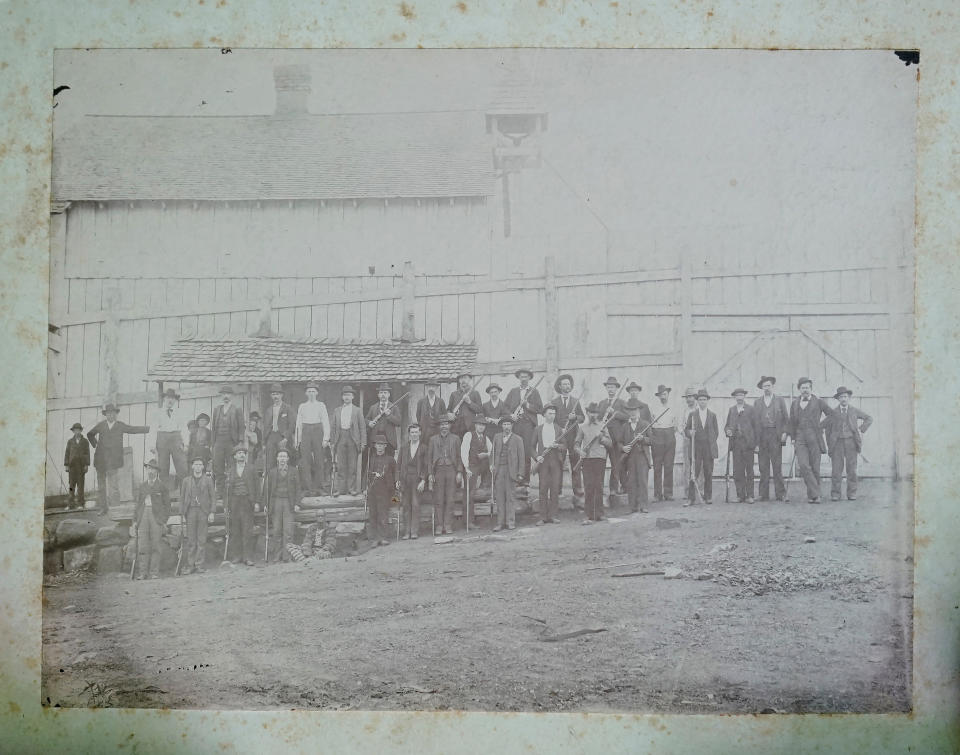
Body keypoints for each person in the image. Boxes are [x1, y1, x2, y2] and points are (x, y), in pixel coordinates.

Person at [87, 404, 150, 515]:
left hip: (113, 461)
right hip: (100, 460)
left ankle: (115, 509)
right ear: (105, 414)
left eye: (113, 413)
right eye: (108, 413)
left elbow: (133, 429)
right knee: (101, 487)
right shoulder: (101, 425)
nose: (110, 415)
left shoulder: (120, 425)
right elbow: (90, 434)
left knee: (114, 486)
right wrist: (95, 444)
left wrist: (149, 429)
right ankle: (103, 508)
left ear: (116, 414)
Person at [822, 387, 873, 501]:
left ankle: (852, 493)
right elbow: (823, 425)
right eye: (841, 397)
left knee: (852, 470)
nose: (843, 399)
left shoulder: (854, 411)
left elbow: (869, 418)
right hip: (837, 444)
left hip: (851, 443)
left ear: (849, 398)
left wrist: (861, 429)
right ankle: (835, 494)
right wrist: (829, 439)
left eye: (845, 397)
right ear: (838, 399)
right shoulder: (833, 412)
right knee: (836, 470)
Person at [788, 378, 830, 503]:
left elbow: (832, 415)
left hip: (815, 438)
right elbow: (791, 422)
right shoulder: (795, 403)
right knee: (804, 466)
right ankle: (817, 493)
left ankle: (813, 496)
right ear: (799, 389)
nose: (805, 390)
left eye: (807, 387)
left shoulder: (819, 402)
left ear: (811, 389)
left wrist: (821, 425)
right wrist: (793, 438)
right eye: (803, 388)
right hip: (800, 437)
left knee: (815, 468)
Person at [503, 368, 543, 484]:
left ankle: (525, 480)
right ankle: (515, 478)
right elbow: (505, 407)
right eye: (522, 377)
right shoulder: (513, 391)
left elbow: (540, 409)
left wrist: (528, 405)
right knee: (514, 450)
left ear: (529, 378)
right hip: (515, 424)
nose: (524, 379)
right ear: (519, 378)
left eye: (526, 377)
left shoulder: (534, 392)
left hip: (527, 425)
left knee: (526, 451)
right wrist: (511, 416)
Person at [753, 376, 789, 502]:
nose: (767, 388)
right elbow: (754, 422)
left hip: (775, 435)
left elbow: (786, 419)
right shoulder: (757, 402)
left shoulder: (779, 400)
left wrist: (785, 432)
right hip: (762, 435)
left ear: (772, 386)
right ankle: (763, 494)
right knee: (763, 466)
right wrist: (756, 442)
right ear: (762, 388)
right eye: (764, 386)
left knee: (777, 466)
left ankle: (781, 494)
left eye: (769, 385)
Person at [132, 459, 170, 580]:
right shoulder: (142, 486)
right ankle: (143, 573)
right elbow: (138, 504)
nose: (150, 471)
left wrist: (163, 520)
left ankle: (154, 572)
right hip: (143, 515)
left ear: (157, 471)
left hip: (156, 517)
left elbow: (167, 505)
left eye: (153, 469)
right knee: (142, 545)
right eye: (149, 468)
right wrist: (134, 520)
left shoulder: (162, 486)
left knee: (156, 545)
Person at [576, 403, 612, 523]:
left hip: (600, 459)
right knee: (589, 487)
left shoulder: (603, 426)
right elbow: (576, 445)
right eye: (591, 412)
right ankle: (589, 514)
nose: (593, 415)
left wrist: (601, 437)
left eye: (595, 413)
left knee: (599, 486)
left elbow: (610, 443)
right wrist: (580, 452)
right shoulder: (582, 427)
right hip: (587, 459)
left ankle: (600, 513)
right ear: (587, 413)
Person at [224, 444, 260, 566]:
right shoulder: (230, 471)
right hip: (234, 503)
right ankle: (237, 556)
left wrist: (256, 502)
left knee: (247, 530)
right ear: (235, 456)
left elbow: (257, 487)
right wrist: (226, 506)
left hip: (247, 502)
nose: (241, 455)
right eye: (239, 453)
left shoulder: (252, 469)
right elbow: (226, 491)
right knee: (235, 530)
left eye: (243, 453)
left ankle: (248, 557)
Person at [179, 455, 215, 574]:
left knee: (201, 539)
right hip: (190, 511)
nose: (198, 467)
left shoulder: (208, 480)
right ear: (192, 466)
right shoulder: (186, 481)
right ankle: (190, 565)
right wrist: (181, 512)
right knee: (191, 540)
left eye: (200, 464)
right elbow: (182, 497)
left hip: (203, 511)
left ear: (203, 467)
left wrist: (212, 512)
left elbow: (213, 497)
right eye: (196, 464)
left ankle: (199, 565)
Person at [552, 373, 585, 499]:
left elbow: (582, 418)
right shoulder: (554, 402)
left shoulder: (575, 401)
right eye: (564, 384)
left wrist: (575, 417)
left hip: (573, 436)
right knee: (558, 463)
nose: (567, 386)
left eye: (568, 384)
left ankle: (578, 490)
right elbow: (551, 419)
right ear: (560, 386)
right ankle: (557, 490)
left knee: (575, 462)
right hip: (560, 437)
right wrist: (558, 429)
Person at [428, 415, 463, 535]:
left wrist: (459, 472)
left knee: (450, 499)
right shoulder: (433, 439)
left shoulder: (456, 439)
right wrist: (430, 474)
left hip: (451, 470)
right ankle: (439, 525)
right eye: (442, 424)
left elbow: (459, 457)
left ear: (450, 425)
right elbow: (429, 459)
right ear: (439, 426)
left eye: (446, 424)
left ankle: (448, 525)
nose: (444, 426)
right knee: (438, 499)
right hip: (438, 471)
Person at [265, 447, 302, 562]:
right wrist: (266, 505)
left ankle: (287, 556)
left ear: (288, 459)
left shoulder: (294, 471)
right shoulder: (272, 472)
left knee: (288, 531)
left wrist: (297, 503)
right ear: (277, 458)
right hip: (276, 502)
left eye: (284, 456)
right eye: (280, 456)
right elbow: (267, 490)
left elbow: (298, 489)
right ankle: (277, 555)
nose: (282, 459)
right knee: (276, 530)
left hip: (288, 503)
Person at [296, 381, 332, 496]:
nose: (311, 393)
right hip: (306, 431)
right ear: (306, 393)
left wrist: (326, 438)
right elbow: (298, 424)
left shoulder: (321, 405)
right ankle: (307, 488)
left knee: (319, 460)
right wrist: (298, 440)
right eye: (309, 391)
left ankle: (319, 488)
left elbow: (325, 421)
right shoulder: (302, 406)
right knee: (305, 461)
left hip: (317, 431)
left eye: (313, 391)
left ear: (317, 393)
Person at [619, 397, 654, 513]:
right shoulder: (624, 426)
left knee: (642, 481)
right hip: (630, 458)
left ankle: (643, 505)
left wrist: (643, 438)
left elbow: (652, 440)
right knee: (631, 482)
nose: (633, 413)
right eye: (630, 411)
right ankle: (632, 506)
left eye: (635, 410)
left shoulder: (645, 424)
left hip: (642, 456)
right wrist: (623, 448)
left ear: (639, 411)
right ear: (628, 412)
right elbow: (618, 442)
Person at [331, 385, 366, 496]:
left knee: (352, 466)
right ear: (342, 397)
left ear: (352, 397)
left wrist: (363, 442)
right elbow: (333, 427)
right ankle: (341, 489)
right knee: (341, 466)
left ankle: (351, 489)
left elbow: (362, 427)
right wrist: (332, 442)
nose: (347, 397)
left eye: (349, 395)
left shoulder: (357, 410)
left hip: (353, 439)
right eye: (345, 395)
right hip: (340, 438)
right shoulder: (337, 410)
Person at [685, 390, 719, 504]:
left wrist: (710, 442)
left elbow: (716, 432)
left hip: (708, 448)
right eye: (700, 400)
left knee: (708, 472)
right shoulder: (692, 415)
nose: (702, 402)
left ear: (708, 401)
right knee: (694, 472)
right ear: (697, 401)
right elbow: (686, 430)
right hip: (696, 447)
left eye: (704, 400)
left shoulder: (712, 415)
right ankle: (691, 498)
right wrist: (690, 433)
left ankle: (708, 496)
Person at [724, 389, 758, 503]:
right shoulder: (732, 410)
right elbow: (727, 426)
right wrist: (728, 431)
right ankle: (740, 495)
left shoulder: (751, 409)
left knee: (749, 470)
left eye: (741, 395)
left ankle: (750, 495)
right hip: (736, 444)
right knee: (738, 471)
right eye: (737, 395)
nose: (739, 397)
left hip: (748, 444)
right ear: (734, 397)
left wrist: (756, 444)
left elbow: (756, 427)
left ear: (744, 396)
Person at [491, 416, 525, 531]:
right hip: (499, 470)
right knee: (499, 497)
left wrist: (520, 473)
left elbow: (522, 457)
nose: (506, 427)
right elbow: (493, 453)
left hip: (511, 471)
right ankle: (500, 523)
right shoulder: (496, 437)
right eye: (504, 424)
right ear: (501, 426)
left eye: (508, 424)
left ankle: (510, 522)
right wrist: (492, 465)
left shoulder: (518, 439)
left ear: (512, 426)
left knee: (510, 497)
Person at [151, 388, 188, 492]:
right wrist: (152, 445)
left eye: (172, 398)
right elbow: (153, 428)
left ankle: (184, 492)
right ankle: (164, 494)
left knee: (182, 467)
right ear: (164, 399)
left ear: (175, 400)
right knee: (162, 467)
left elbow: (184, 428)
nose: (170, 400)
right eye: (168, 398)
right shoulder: (157, 412)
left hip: (176, 438)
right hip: (162, 439)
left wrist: (186, 444)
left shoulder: (179, 412)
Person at [596, 377, 628, 496]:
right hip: (604, 439)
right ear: (606, 388)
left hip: (616, 439)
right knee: (601, 463)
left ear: (616, 388)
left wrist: (615, 413)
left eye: (613, 387)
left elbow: (627, 417)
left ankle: (614, 489)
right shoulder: (602, 403)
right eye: (609, 387)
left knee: (616, 464)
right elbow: (598, 419)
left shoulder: (621, 402)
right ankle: (599, 488)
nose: (610, 389)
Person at [533, 404, 564, 525]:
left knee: (555, 488)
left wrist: (558, 446)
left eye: (554, 414)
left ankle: (553, 515)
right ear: (544, 414)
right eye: (550, 413)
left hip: (555, 459)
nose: (552, 416)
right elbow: (531, 447)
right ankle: (542, 517)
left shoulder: (558, 429)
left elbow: (564, 445)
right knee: (543, 488)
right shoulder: (538, 429)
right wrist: (537, 456)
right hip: (543, 459)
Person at [211, 386, 244, 497]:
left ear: (232, 396)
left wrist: (240, 442)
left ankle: (231, 490)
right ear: (221, 396)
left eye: (228, 394)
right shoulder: (217, 409)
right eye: (223, 394)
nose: (226, 396)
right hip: (218, 442)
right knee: (218, 466)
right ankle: (220, 491)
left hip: (231, 441)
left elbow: (241, 427)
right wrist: (213, 443)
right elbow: (213, 428)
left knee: (231, 465)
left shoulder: (237, 409)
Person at [367, 434, 398, 547]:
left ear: (385, 446)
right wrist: (365, 488)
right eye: (378, 445)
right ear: (375, 446)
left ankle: (383, 537)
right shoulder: (371, 459)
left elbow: (396, 474)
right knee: (373, 514)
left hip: (385, 490)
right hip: (372, 490)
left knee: (383, 513)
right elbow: (367, 475)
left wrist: (395, 487)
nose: (379, 447)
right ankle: (374, 538)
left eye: (382, 445)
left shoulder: (390, 460)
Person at [398, 423, 428, 539]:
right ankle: (407, 532)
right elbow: (398, 465)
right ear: (409, 434)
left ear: (420, 433)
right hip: (405, 479)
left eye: (416, 432)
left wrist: (423, 481)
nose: (414, 434)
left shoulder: (424, 447)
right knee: (406, 505)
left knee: (415, 504)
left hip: (417, 480)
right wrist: (398, 480)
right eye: (412, 432)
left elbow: (426, 466)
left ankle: (414, 531)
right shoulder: (404, 447)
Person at [461, 416, 493, 524]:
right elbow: (464, 451)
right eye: (479, 424)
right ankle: (468, 521)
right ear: (475, 425)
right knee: (469, 493)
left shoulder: (486, 438)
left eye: (483, 425)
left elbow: (492, 451)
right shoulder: (469, 435)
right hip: (471, 466)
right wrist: (466, 467)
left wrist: (486, 455)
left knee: (489, 473)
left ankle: (485, 488)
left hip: (482, 467)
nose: (481, 427)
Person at [650, 384, 679, 501]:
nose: (663, 396)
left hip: (669, 435)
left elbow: (676, 425)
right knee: (657, 466)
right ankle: (657, 494)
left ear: (668, 394)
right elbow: (651, 425)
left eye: (665, 394)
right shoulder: (653, 408)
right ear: (658, 396)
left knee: (668, 466)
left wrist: (670, 431)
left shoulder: (673, 407)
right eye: (661, 394)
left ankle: (668, 493)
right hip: (658, 436)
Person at [262, 384, 295, 472]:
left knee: (284, 461)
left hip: (283, 438)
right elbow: (265, 427)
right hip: (271, 437)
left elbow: (292, 424)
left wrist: (286, 438)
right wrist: (264, 442)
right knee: (270, 463)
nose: (275, 396)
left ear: (281, 395)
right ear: (271, 396)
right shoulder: (268, 410)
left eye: (277, 394)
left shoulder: (288, 408)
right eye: (273, 394)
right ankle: (271, 484)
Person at [366, 383, 402, 456]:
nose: (383, 395)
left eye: (385, 393)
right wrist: (369, 423)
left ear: (388, 395)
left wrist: (389, 415)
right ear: (378, 395)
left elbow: (399, 422)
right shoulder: (373, 407)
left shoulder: (394, 407)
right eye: (381, 393)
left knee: (389, 462)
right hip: (375, 439)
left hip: (389, 440)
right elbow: (366, 419)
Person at [680, 387, 700, 504]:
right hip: (687, 441)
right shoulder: (684, 411)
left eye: (691, 397)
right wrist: (685, 434)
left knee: (699, 466)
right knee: (687, 467)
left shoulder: (699, 410)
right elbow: (680, 426)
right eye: (687, 397)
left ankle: (699, 490)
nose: (689, 399)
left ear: (695, 398)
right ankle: (687, 492)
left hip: (699, 442)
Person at [447, 373, 482, 439]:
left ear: (469, 379)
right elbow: (449, 409)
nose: (463, 380)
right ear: (459, 380)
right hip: (456, 428)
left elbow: (480, 411)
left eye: (465, 378)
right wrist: (449, 414)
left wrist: (470, 402)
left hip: (470, 428)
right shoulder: (454, 394)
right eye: (461, 378)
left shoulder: (475, 393)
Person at [64, 422, 90, 509]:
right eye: (75, 430)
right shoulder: (70, 441)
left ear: (81, 431)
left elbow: (87, 454)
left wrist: (86, 465)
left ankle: (80, 504)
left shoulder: (85, 441)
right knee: (71, 485)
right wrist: (66, 465)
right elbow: (67, 453)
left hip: (81, 466)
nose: (77, 432)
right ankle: (70, 504)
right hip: (72, 467)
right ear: (73, 431)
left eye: (78, 430)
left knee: (80, 485)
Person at [416, 379, 446, 443]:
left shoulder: (441, 402)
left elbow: (444, 417)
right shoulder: (421, 402)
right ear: (426, 388)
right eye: (429, 386)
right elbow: (418, 416)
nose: (431, 388)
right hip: (425, 433)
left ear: (436, 388)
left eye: (433, 387)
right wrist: (423, 427)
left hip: (437, 432)